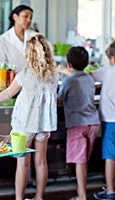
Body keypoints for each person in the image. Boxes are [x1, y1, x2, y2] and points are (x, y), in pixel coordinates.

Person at [0, 34, 59, 200]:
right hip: (44, 124)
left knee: (23, 162)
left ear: (29, 54)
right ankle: (39, 197)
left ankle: (19, 198)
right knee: (41, 162)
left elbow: (9, 93)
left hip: (25, 125)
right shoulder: (53, 75)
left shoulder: (24, 75)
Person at [57, 46, 100, 200]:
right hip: (93, 123)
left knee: (80, 162)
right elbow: (79, 77)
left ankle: (82, 195)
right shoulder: (89, 78)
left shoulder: (68, 81)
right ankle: (82, 191)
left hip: (77, 125)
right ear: (87, 62)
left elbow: (59, 99)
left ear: (69, 64)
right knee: (84, 160)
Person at [90, 41, 115, 200]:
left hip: (110, 121)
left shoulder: (108, 71)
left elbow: (86, 75)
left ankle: (111, 191)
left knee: (110, 156)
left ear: (112, 58)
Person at [0, 4, 37, 72]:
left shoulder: (35, 37)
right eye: (26, 16)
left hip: (33, 79)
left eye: (31, 17)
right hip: (12, 79)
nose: (29, 20)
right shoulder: (3, 40)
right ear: (15, 16)